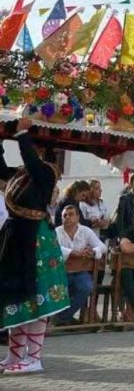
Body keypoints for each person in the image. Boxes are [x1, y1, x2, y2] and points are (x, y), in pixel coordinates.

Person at [0, 119, 69, 374]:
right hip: (16, 236)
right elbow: (2, 171)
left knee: (36, 297)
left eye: (33, 143)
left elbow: (30, 161)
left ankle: (34, 358)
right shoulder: (21, 174)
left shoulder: (47, 171)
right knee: (14, 296)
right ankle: (14, 355)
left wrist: (20, 134)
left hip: (36, 240)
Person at [54, 205, 107, 325]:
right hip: (61, 273)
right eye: (64, 215)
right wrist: (73, 253)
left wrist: (92, 251)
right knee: (58, 291)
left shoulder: (85, 231)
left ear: (78, 217)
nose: (67, 217)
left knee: (87, 286)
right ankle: (64, 318)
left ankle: (62, 317)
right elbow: (54, 248)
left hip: (80, 272)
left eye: (71, 214)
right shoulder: (57, 231)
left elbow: (102, 246)